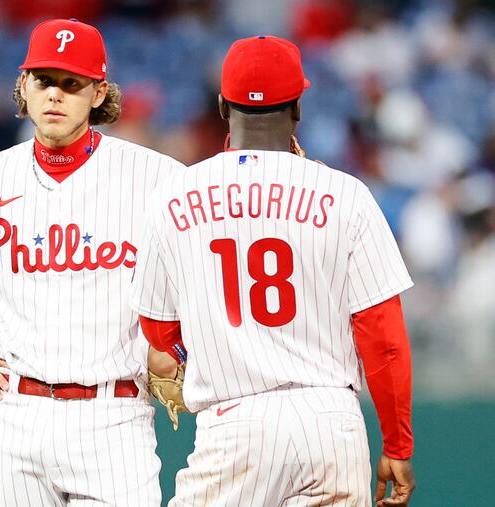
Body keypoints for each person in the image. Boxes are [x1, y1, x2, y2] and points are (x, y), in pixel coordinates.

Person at [0, 18, 184, 506]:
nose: (55, 95)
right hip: (16, 415)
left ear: (98, 95)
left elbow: (215, 266)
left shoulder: (156, 178)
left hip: (112, 416)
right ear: (23, 87)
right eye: (44, 81)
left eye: (72, 84)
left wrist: (176, 347)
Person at [131, 35, 416, 506]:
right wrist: (398, 444)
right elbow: (382, 336)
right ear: (298, 106)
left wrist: (195, 351)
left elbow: (158, 328)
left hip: (234, 420)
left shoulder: (173, 195)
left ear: (223, 106)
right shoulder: (345, 194)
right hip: (330, 422)